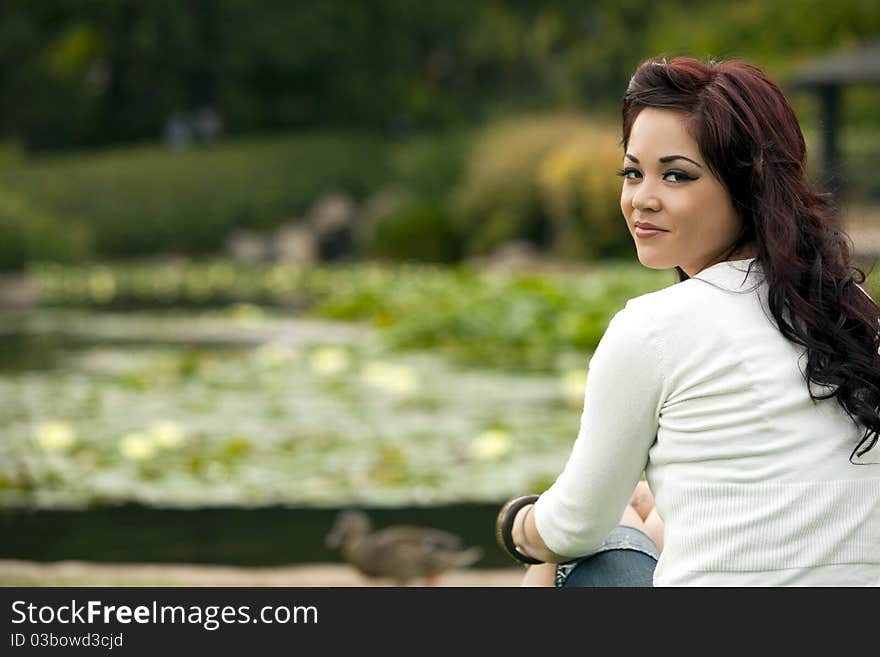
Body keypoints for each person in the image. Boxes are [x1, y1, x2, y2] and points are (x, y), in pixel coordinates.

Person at [496, 55, 880, 587]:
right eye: (632, 173)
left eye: (676, 175)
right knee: (651, 510)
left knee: (585, 539)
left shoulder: (653, 327)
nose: (641, 200)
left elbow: (573, 526)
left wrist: (517, 524)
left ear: (749, 187)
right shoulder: (849, 309)